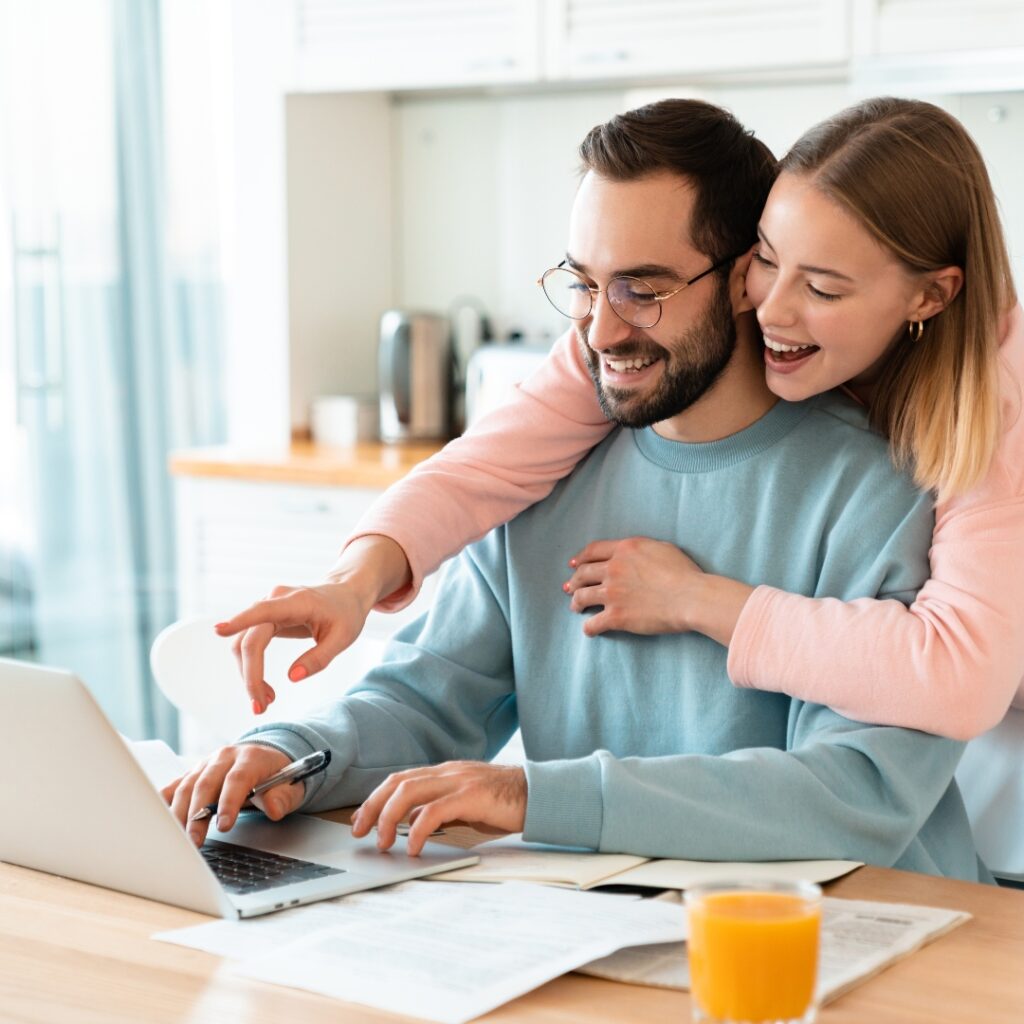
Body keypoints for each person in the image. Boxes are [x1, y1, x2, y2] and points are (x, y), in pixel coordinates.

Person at [168, 100, 985, 883]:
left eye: (644, 289)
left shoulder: (891, 487)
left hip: (868, 935)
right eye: (585, 284)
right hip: (616, 923)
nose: (600, 330)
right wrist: (292, 754)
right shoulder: (546, 467)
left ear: (746, 280)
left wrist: (534, 795)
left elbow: (850, 794)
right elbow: (426, 698)